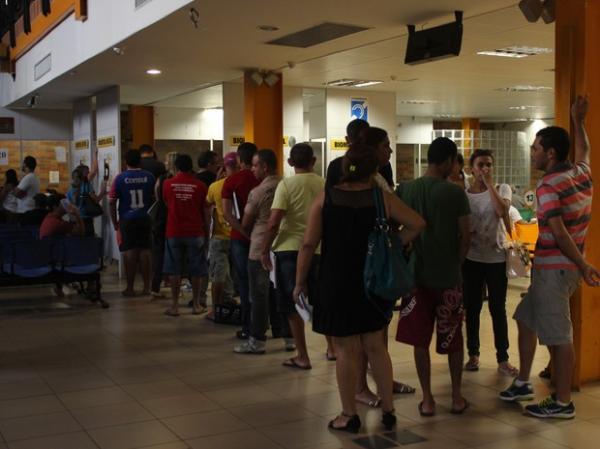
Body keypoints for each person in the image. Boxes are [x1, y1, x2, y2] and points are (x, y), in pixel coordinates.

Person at [295, 143, 425, 433]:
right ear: (373, 170)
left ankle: (348, 414)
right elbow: (417, 223)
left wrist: (300, 281)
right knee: (376, 346)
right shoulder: (381, 198)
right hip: (373, 281)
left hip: (336, 280)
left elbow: (308, 244)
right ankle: (389, 410)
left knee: (345, 349)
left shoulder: (325, 198)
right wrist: (391, 244)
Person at [500, 96, 599, 419]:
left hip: (557, 271)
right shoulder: (581, 173)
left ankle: (563, 402)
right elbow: (584, 149)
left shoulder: (548, 185)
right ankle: (523, 382)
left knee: (559, 336)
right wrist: (579, 120)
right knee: (524, 318)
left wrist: (583, 265)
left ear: (550, 153)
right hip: (561, 270)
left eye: (536, 148)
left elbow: (558, 231)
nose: (533, 153)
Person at [395, 137, 471, 417]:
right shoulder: (455, 194)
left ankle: (427, 399)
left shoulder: (407, 189)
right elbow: (465, 235)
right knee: (453, 339)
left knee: (419, 340)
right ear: (450, 160)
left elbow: (397, 229)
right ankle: (456, 397)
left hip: (415, 277)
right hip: (448, 277)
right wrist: (458, 262)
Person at [261, 143, 331, 368]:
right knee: (321, 302)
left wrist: (264, 249)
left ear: (291, 163)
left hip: (289, 250)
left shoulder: (286, 185)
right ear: (313, 162)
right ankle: (332, 348)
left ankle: (302, 355)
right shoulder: (324, 184)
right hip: (318, 249)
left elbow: (273, 223)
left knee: (292, 304)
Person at [462, 149, 518, 376]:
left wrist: (489, 185)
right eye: (481, 165)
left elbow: (501, 210)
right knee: (472, 307)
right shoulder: (465, 194)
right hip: (472, 258)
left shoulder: (502, 189)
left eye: (489, 165)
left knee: (498, 308)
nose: (485, 169)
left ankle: (502, 358)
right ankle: (473, 354)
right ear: (471, 168)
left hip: (496, 257)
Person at [233, 149, 286, 353]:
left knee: (259, 295)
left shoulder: (258, 192)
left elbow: (246, 223)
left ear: (265, 167)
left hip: (259, 248)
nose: (252, 169)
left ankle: (257, 339)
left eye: (255, 165)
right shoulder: (286, 186)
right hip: (283, 245)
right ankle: (286, 334)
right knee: (282, 291)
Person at [161, 154, 210, 316]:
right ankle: (196, 304)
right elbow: (205, 211)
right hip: (195, 231)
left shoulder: (167, 184)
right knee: (196, 269)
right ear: (191, 167)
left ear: (176, 166)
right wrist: (206, 231)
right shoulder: (201, 186)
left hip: (174, 231)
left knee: (175, 270)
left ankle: (174, 306)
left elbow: (167, 204)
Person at [222, 142, 260, 339]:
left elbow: (228, 214)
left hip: (239, 238)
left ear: (239, 159)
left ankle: (248, 327)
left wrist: (243, 231)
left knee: (244, 283)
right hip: (263, 237)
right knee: (263, 282)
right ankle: (267, 324)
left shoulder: (231, 181)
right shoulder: (262, 180)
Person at [108, 150, 155, 296]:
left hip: (127, 219)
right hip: (145, 217)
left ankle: (130, 287)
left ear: (125, 162)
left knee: (130, 252)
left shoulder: (120, 178)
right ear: (140, 162)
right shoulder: (150, 177)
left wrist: (114, 221)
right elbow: (155, 198)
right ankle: (147, 287)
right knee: (145, 251)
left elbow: (112, 201)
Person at [205, 152, 237, 319]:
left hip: (220, 236)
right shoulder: (246, 183)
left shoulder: (215, 186)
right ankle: (230, 301)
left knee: (218, 273)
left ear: (224, 167)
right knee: (234, 273)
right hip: (240, 235)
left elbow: (207, 204)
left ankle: (216, 309)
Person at [150, 151, 178, 299]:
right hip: (175, 219)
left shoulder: (161, 179)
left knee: (159, 254)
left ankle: (155, 287)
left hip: (161, 218)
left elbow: (157, 197)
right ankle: (174, 285)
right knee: (176, 253)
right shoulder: (179, 180)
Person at [66, 166, 106, 236]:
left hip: (74, 221)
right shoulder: (87, 186)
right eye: (86, 173)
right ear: (82, 176)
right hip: (86, 221)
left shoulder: (69, 192)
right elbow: (96, 200)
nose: (87, 174)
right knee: (89, 243)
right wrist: (102, 191)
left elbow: (69, 209)